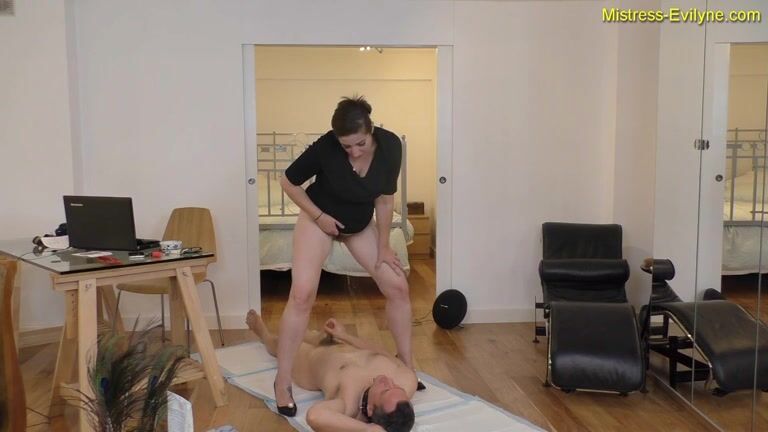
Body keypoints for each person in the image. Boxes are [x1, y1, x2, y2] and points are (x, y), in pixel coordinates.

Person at [274, 96, 414, 417]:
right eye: (346, 146)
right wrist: (319, 216)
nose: (354, 151)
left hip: (358, 225)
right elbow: (288, 182)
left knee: (398, 286)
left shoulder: (391, 146)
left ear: (371, 130)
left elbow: (384, 199)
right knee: (302, 294)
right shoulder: (326, 147)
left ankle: (407, 364)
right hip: (319, 220)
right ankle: (282, 381)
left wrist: (384, 245)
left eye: (360, 144)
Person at [246, 310, 416, 432]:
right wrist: (344, 336)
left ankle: (264, 335)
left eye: (385, 390)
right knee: (310, 332)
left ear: (371, 409)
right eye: (396, 386)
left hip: (310, 361)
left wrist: (367, 429)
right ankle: (315, 335)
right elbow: (384, 354)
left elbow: (315, 416)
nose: (388, 380)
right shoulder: (407, 380)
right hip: (343, 344)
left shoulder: (348, 404)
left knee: (282, 343)